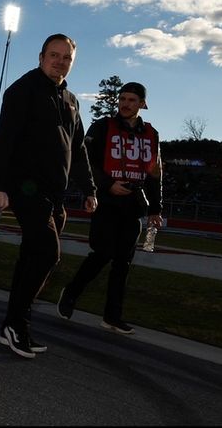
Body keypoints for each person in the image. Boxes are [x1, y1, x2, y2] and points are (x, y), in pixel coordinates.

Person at [0, 34, 97, 359]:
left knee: (31, 258)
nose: (60, 61)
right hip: (26, 187)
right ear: (41, 56)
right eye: (54, 55)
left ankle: (12, 325)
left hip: (54, 193)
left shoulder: (71, 100)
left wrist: (89, 188)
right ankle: (18, 323)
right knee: (48, 253)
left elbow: (77, 149)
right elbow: (4, 138)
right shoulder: (23, 90)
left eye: (66, 57)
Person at [56, 82, 162, 335]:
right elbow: (84, 160)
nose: (125, 104)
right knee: (102, 253)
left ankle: (112, 316)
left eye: (132, 100)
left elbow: (155, 173)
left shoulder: (151, 133)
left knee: (123, 262)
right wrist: (106, 185)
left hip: (134, 203)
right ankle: (70, 293)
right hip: (107, 200)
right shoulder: (103, 126)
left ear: (142, 104)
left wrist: (155, 208)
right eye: (122, 99)